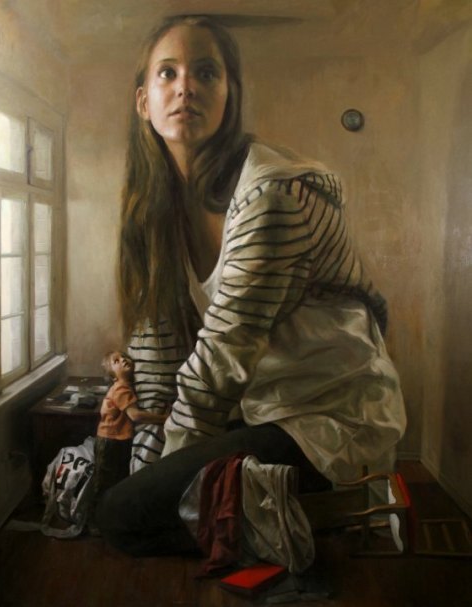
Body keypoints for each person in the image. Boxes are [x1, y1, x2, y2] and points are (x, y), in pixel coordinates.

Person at [96, 14, 406, 557]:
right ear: (143, 101)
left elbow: (220, 361)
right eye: (168, 73)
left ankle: (317, 519)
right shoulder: (159, 211)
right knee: (125, 500)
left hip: (327, 420)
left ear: (229, 95)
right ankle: (283, 516)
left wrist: (162, 482)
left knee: (121, 517)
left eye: (206, 73)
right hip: (260, 408)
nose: (186, 86)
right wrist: (145, 441)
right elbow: (160, 351)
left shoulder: (271, 195)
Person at [90, 350, 169, 529]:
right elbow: (135, 415)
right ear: (113, 375)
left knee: (113, 480)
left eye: (124, 357)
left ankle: (107, 520)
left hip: (116, 439)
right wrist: (163, 418)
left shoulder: (125, 387)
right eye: (116, 361)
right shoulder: (121, 389)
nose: (123, 360)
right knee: (104, 482)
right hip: (110, 441)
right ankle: (95, 523)